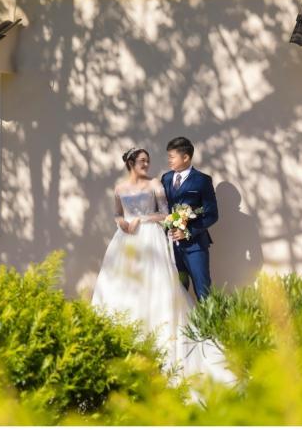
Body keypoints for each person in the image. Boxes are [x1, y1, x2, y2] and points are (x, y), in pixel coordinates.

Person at [91, 146, 234, 388]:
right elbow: (117, 213)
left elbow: (165, 213)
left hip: (150, 237)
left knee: (157, 285)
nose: (146, 164)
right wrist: (122, 222)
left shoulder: (156, 183)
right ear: (131, 163)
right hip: (125, 240)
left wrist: (141, 219)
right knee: (124, 287)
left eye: (148, 160)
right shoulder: (119, 188)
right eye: (142, 161)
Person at [161, 137, 218, 301]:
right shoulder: (165, 178)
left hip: (195, 246)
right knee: (177, 292)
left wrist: (188, 231)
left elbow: (212, 214)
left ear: (185, 157)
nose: (169, 160)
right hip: (171, 246)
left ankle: (208, 318)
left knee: (202, 290)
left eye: (172, 157)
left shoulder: (202, 180)